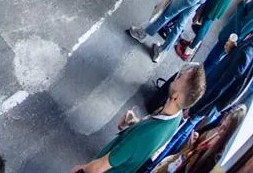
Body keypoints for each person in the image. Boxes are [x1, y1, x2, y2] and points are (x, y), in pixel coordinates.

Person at [71, 63, 206, 173]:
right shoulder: (175, 119)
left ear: (176, 97)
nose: (176, 76)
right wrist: (134, 123)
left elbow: (98, 168)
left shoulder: (143, 136)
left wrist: (80, 170)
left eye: (179, 78)